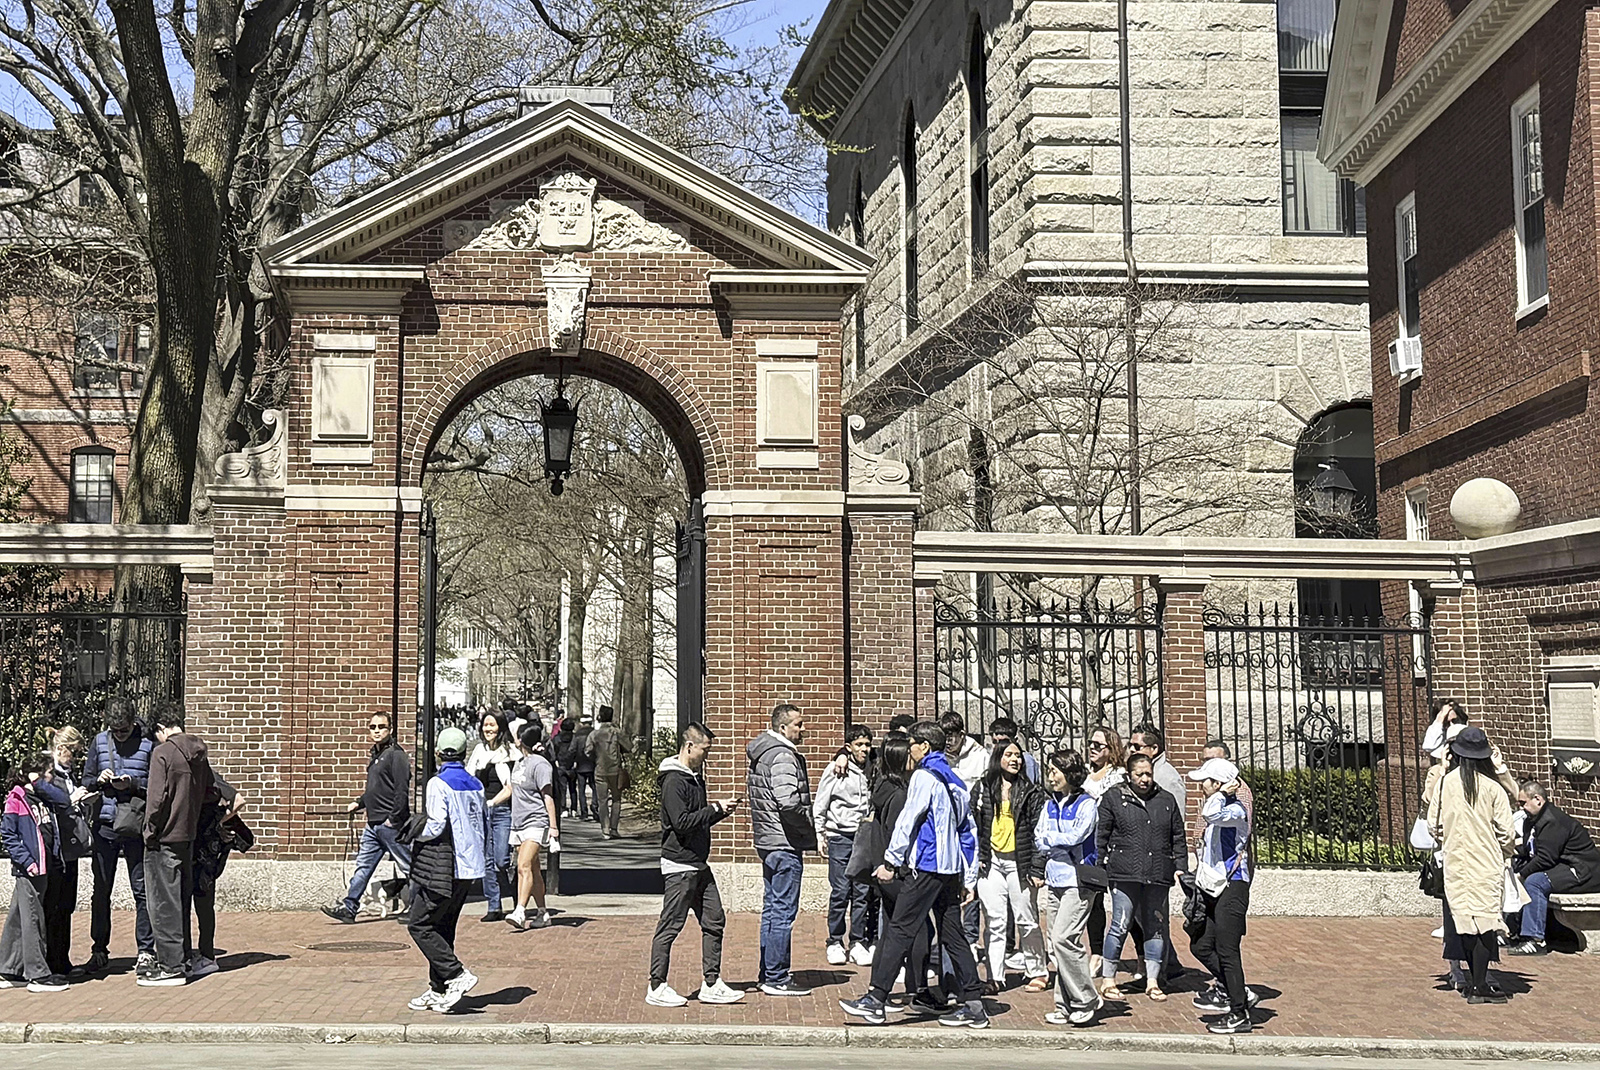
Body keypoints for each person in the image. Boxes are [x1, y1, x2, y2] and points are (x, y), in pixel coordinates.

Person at [839, 721, 987, 1028]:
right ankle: (974, 1003)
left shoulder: (923, 776)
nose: (910, 748)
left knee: (899, 929)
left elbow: (909, 820)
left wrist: (891, 862)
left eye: (914, 743)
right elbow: (968, 832)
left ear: (925, 747)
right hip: (950, 870)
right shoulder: (956, 780)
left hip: (927, 866)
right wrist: (967, 878)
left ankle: (876, 999)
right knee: (953, 934)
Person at [646, 722, 745, 1007]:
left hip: (699, 864)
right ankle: (656, 985)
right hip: (679, 865)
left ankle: (712, 983)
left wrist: (719, 811)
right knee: (670, 926)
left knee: (715, 920)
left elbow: (697, 819)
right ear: (690, 747)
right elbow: (681, 823)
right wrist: (713, 809)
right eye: (705, 750)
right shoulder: (675, 781)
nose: (707, 756)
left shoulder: (694, 777)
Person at [399, 726, 487, 1013]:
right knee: (444, 925)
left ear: (438, 753)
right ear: (464, 754)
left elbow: (435, 825)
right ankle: (439, 988)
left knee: (420, 924)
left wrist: (414, 831)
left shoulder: (439, 783)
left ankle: (456, 975)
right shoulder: (475, 783)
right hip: (470, 865)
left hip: (445, 865)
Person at [1427, 726, 1516, 1004]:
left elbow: (1434, 824)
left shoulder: (1445, 784)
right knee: (1486, 921)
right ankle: (1480, 984)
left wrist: (1450, 839)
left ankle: (1472, 983)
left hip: (1456, 860)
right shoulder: (1493, 789)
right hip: (1486, 861)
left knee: (1464, 920)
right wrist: (1504, 851)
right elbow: (1507, 832)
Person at [1096, 752, 1186, 1002]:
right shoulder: (1114, 798)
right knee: (1120, 924)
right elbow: (1101, 834)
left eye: (1148, 774)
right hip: (1124, 873)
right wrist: (1100, 865)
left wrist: (1180, 865)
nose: (1145, 779)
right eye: (1140, 774)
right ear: (1129, 775)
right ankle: (1109, 979)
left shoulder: (1165, 800)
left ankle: (1153, 980)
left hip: (1157, 872)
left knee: (1155, 927)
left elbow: (1177, 835)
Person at [141, 706, 214, 987]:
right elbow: (209, 792)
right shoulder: (199, 754)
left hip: (165, 836)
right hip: (188, 835)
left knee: (163, 903)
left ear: (161, 728)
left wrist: (149, 830)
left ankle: (170, 966)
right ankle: (183, 958)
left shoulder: (163, 754)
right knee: (181, 900)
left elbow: (156, 799)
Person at [746, 702, 816, 997]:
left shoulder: (762, 754)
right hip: (784, 842)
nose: (803, 729)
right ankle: (776, 976)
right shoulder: (783, 756)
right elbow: (788, 801)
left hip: (768, 840)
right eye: (798, 724)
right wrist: (806, 828)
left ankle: (769, 972)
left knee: (772, 909)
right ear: (782, 727)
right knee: (783, 911)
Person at [81, 698, 155, 974]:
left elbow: (157, 785)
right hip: (105, 824)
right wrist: (99, 780)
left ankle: (145, 950)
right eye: (114, 729)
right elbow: (86, 779)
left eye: (123, 730)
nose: (118, 734)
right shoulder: (100, 742)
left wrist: (133, 784)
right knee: (101, 890)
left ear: (133, 722)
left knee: (141, 890)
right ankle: (99, 948)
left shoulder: (148, 744)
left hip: (135, 824)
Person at [1034, 750, 1104, 1027]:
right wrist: (1052, 840)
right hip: (1054, 880)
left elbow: (1078, 835)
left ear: (1070, 773)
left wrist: (1051, 838)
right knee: (1055, 945)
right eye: (1049, 771)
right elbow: (1039, 836)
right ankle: (1064, 1005)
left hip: (1078, 880)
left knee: (1065, 938)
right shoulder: (1049, 804)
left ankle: (1086, 998)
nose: (1051, 776)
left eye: (1055, 771)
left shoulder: (1087, 803)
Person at [973, 739, 1048, 992]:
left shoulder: (1031, 791)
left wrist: (1037, 869)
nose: (1015, 759)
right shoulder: (983, 788)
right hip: (991, 862)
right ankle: (995, 977)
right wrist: (977, 859)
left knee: (1026, 919)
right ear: (998, 758)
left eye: (1018, 755)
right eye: (1009, 755)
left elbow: (1040, 834)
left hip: (1020, 863)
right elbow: (973, 826)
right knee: (994, 921)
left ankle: (1037, 970)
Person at [1187, 757, 1256, 1034]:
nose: (1201, 786)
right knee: (1201, 944)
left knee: (1228, 950)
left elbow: (1211, 815)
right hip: (1212, 887)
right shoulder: (1217, 805)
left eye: (1206, 781)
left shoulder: (1236, 811)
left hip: (1233, 886)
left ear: (1219, 784)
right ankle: (1238, 990)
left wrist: (1221, 793)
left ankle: (1239, 1013)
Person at [324, 711, 412, 923]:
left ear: (390, 730)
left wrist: (394, 819)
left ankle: (422, 908)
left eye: (381, 727)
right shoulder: (375, 755)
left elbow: (401, 790)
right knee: (363, 867)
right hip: (373, 825)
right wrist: (359, 802)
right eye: (372, 727)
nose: (376, 731)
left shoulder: (396, 755)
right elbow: (376, 789)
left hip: (390, 825)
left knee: (409, 866)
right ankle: (349, 907)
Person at [0, 752, 73, 992]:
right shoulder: (16, 799)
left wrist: (40, 783)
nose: (53, 778)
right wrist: (27, 861)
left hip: (45, 865)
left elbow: (64, 801)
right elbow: (9, 835)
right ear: (36, 774)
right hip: (30, 868)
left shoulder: (42, 795)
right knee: (33, 919)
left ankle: (8, 969)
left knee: (18, 917)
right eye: (49, 773)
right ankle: (37, 975)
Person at [1507, 780, 1600, 955]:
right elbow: (1531, 850)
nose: (1520, 808)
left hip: (1582, 870)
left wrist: (1522, 875)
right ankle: (1513, 931)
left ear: (1538, 799)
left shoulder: (1553, 821)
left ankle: (1536, 940)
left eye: (1523, 803)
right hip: (1562, 866)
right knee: (1512, 874)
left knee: (1535, 882)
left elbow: (1545, 858)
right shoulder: (1531, 820)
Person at [814, 724, 874, 967]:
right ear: (849, 747)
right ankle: (835, 941)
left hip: (863, 836)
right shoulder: (836, 769)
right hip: (839, 835)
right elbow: (821, 803)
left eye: (867, 745)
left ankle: (857, 941)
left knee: (862, 891)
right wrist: (820, 835)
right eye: (859, 745)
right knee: (840, 890)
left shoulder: (873, 766)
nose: (864, 749)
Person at [44, 727, 93, 979]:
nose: (74, 758)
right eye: (72, 752)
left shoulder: (67, 773)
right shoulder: (49, 773)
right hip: (56, 849)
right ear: (61, 748)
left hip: (70, 849)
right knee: (53, 906)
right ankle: (51, 962)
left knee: (66, 906)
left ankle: (62, 960)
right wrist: (72, 799)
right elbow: (50, 804)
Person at [189, 776, 250, 978]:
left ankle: (205, 955)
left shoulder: (209, 776)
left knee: (202, 904)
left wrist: (217, 821)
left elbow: (238, 800)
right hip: (203, 848)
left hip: (203, 849)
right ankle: (202, 954)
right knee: (202, 904)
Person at [506, 721, 559, 931]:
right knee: (533, 870)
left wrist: (553, 827)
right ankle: (542, 912)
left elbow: (548, 797)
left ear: (521, 740)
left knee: (523, 865)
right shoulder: (519, 763)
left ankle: (520, 910)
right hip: (518, 823)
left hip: (535, 822)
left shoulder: (541, 764)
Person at [1082, 725, 1126, 975]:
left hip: (1114, 845)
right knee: (1094, 902)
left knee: (1125, 903)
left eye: (1098, 745)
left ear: (1111, 749)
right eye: (1091, 743)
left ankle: (1142, 957)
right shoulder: (1087, 774)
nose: (1092, 748)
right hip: (1091, 847)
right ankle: (1096, 953)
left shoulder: (1118, 775)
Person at [466, 709, 516, 921]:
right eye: (485, 725)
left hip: (502, 811)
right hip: (481, 813)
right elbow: (469, 778)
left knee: (501, 860)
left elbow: (511, 787)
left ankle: (517, 898)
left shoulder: (510, 752)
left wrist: (492, 802)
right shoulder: (479, 751)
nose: (488, 729)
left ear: (501, 727)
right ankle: (493, 906)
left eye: (492, 725)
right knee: (486, 861)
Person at [587, 706, 633, 839]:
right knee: (616, 799)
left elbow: (587, 751)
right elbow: (629, 747)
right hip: (615, 769)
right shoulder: (617, 732)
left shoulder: (594, 734)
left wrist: (596, 758)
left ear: (600, 717)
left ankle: (605, 829)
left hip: (600, 770)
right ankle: (614, 828)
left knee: (602, 801)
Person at [572, 714, 598, 821]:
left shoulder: (577, 735)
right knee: (595, 787)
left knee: (581, 789)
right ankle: (595, 806)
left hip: (580, 765)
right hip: (593, 764)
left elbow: (572, 749)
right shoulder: (595, 734)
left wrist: (572, 761)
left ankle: (584, 812)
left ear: (581, 723)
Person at [555, 717, 580, 818]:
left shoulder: (557, 738)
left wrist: (556, 760)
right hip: (573, 764)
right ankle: (574, 809)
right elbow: (578, 750)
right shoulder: (575, 738)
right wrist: (576, 761)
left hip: (560, 764)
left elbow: (553, 749)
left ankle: (563, 808)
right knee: (573, 788)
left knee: (562, 788)